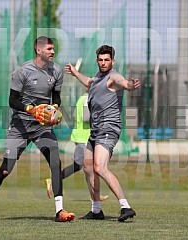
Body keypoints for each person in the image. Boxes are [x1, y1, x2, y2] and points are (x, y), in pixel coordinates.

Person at [0, 36, 75, 222]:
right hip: (20, 125)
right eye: (50, 49)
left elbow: (56, 97)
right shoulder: (22, 71)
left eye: (53, 49)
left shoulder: (57, 71)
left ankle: (59, 211)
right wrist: (32, 109)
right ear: (39, 50)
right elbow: (12, 101)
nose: (53, 52)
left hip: (41, 128)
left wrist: (55, 109)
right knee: (6, 169)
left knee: (55, 162)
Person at [64, 45, 141, 222]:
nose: (103, 63)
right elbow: (89, 82)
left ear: (112, 61)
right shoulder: (98, 77)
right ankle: (96, 210)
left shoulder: (113, 76)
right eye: (100, 60)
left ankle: (125, 206)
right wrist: (76, 73)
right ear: (97, 60)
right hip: (96, 130)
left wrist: (131, 85)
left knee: (99, 167)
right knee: (88, 167)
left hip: (109, 128)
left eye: (107, 60)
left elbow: (124, 83)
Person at [45, 92, 109, 202]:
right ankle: (53, 180)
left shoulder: (82, 98)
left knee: (86, 168)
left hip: (81, 136)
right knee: (81, 166)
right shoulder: (88, 99)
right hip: (84, 138)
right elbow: (85, 118)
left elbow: (75, 115)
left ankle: (94, 195)